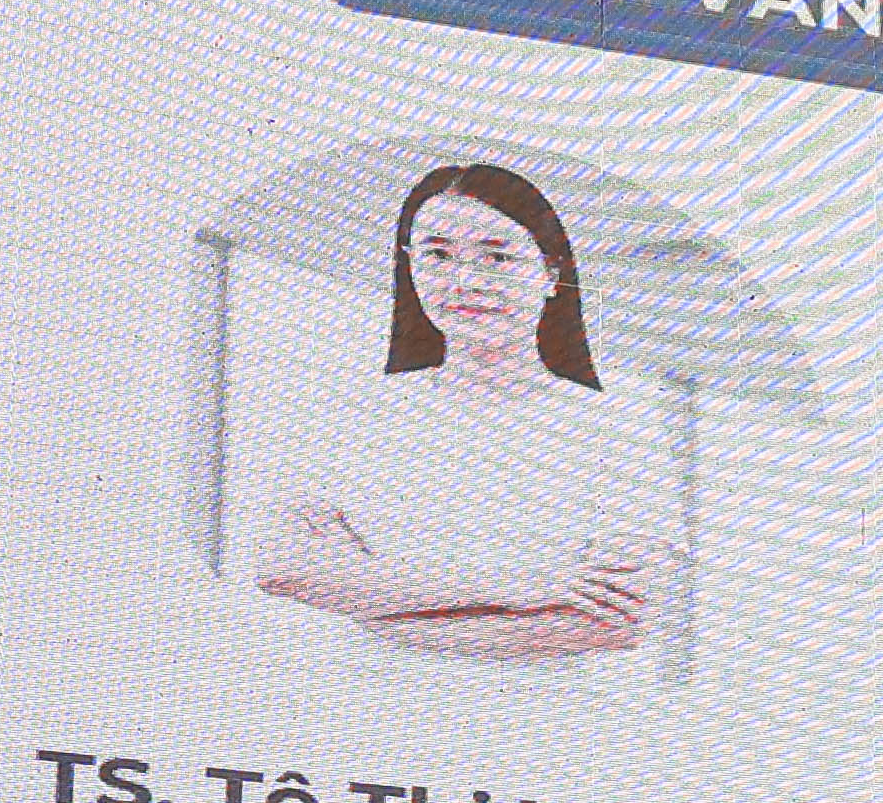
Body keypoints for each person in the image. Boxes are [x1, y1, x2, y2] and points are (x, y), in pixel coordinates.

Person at [250, 162, 673, 666]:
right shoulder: (353, 414)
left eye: (497, 256)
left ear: (551, 274)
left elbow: (613, 623)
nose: (466, 281)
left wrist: (372, 601)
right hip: (358, 701)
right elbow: (284, 570)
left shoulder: (617, 429)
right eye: (438, 254)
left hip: (551, 710)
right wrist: (519, 587)